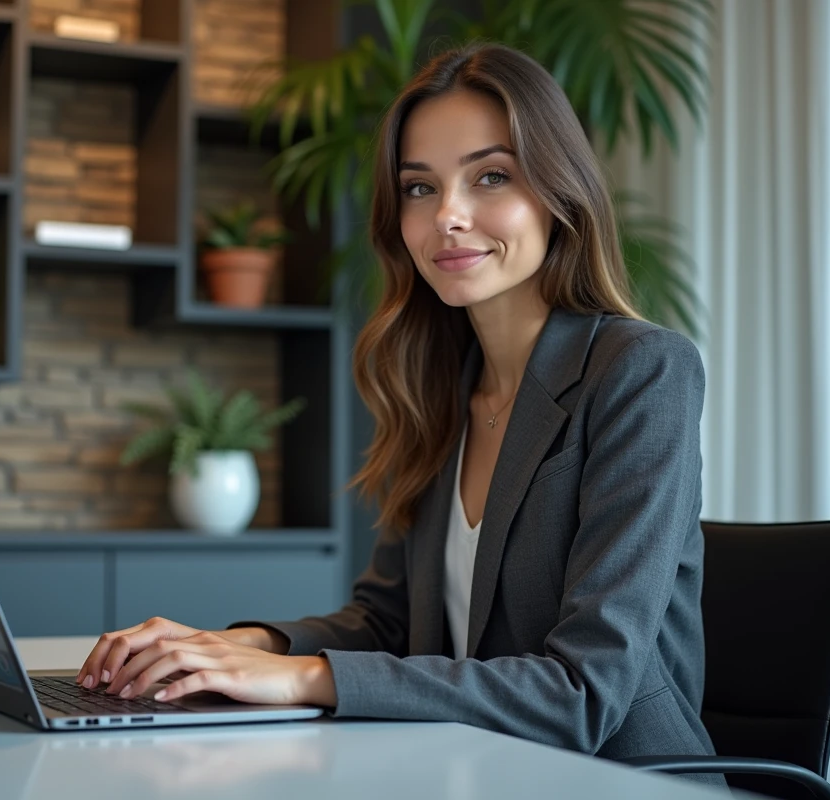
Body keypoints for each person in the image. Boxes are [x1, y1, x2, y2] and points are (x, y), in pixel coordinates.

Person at [77, 42, 723, 785]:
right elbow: (387, 622)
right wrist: (242, 647)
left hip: (620, 781)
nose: (448, 216)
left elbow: (583, 694)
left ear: (559, 191)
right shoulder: (439, 385)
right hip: (473, 769)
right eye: (420, 188)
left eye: (491, 176)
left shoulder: (641, 371)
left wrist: (303, 678)